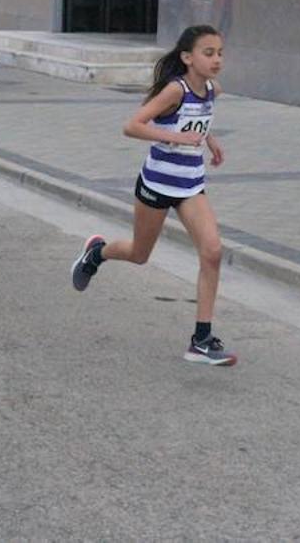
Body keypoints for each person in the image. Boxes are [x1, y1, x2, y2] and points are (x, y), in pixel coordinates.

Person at [71, 25, 236, 366]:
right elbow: (132, 125)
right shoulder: (174, 91)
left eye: (220, 53)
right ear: (187, 58)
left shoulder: (211, 90)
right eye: (209, 53)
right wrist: (173, 137)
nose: (217, 59)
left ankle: (201, 340)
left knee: (213, 252)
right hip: (157, 184)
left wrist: (210, 139)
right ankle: (96, 254)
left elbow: (198, 124)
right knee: (138, 253)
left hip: (190, 185)